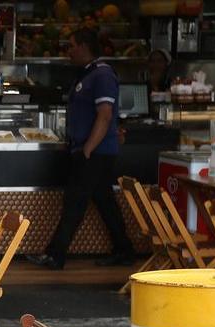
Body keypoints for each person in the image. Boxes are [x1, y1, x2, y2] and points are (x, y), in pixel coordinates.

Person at [25, 28, 135, 270]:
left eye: (72, 45)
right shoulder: (87, 74)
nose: (68, 51)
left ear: (84, 46)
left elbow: (104, 115)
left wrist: (87, 149)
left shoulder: (102, 75)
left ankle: (56, 255)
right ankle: (124, 250)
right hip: (90, 149)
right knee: (105, 201)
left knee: (75, 201)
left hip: (95, 151)